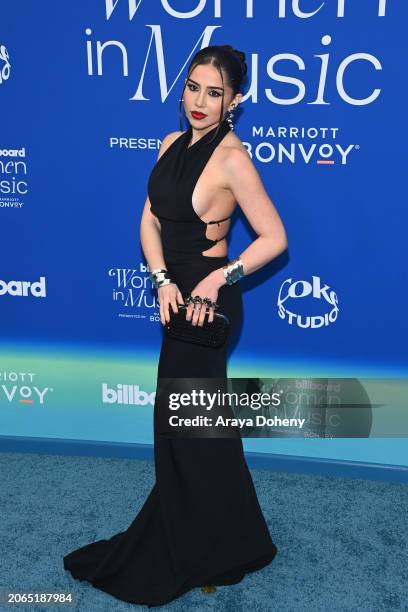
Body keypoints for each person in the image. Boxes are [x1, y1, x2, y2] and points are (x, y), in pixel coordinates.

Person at [63, 44, 288, 607]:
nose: (200, 101)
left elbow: (275, 238)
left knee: (189, 429)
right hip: (174, 298)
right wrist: (162, 278)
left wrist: (222, 277)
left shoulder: (233, 159)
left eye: (215, 93)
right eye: (193, 87)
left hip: (206, 308)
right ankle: (232, 538)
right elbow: (148, 219)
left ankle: (210, 546)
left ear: (234, 101)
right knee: (193, 429)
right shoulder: (168, 145)